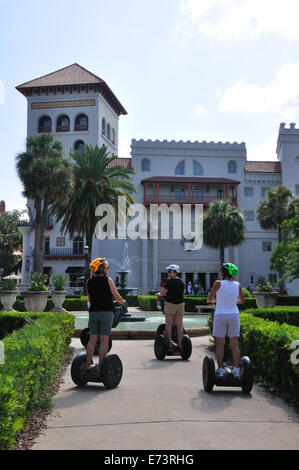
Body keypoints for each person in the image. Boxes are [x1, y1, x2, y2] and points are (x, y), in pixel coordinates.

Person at [86, 257, 126, 376]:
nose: (108, 269)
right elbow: (116, 294)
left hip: (93, 313)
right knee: (104, 341)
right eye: (107, 267)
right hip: (106, 312)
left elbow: (90, 296)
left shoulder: (89, 281)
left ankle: (88, 365)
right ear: (102, 269)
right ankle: (101, 367)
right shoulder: (108, 280)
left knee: (92, 340)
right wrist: (122, 302)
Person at [207, 263, 245, 378]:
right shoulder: (237, 285)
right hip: (234, 315)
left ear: (222, 273)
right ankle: (237, 370)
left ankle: (220, 370)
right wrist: (232, 302)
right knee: (234, 344)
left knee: (220, 344)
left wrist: (212, 301)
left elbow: (210, 298)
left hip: (221, 314)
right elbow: (242, 300)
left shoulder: (218, 283)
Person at [156, 264, 185, 351]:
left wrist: (158, 294)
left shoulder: (169, 281)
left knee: (168, 324)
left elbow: (163, 293)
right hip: (180, 304)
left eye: (169, 271)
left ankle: (169, 344)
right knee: (179, 325)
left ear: (174, 272)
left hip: (170, 304)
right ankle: (180, 345)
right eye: (168, 271)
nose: (168, 273)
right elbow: (183, 294)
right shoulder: (181, 282)